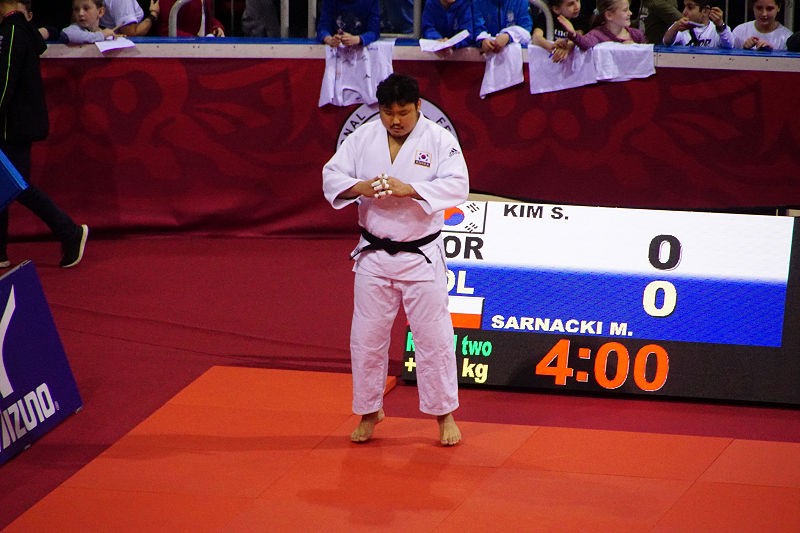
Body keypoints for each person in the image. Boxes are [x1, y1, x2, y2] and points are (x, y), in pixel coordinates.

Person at [322, 73, 468, 446]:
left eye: (403, 112)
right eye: (388, 112)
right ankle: (369, 411)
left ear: (418, 106)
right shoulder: (364, 137)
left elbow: (458, 186)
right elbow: (331, 175)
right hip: (373, 254)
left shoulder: (439, 139)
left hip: (420, 255)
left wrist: (412, 189)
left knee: (433, 338)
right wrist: (360, 187)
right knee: (366, 338)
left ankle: (444, 415)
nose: (395, 120)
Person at [0, 0, 88, 268]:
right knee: (5, 183)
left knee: (17, 185)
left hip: (13, 124)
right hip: (17, 121)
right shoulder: (21, 29)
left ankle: (69, 231)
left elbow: (5, 81)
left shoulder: (12, 31)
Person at [560, 0, 647, 50]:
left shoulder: (637, 35)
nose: (630, 13)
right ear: (609, 15)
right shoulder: (597, 35)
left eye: (629, 9)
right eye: (625, 10)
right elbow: (585, 43)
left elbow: (647, 57)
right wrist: (574, 35)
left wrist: (636, 48)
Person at [661, 0, 732, 48]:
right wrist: (675, 28)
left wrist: (720, 26)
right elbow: (666, 41)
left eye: (690, 7)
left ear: (704, 11)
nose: (684, 12)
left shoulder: (718, 29)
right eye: (684, 7)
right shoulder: (681, 26)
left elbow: (730, 45)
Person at [155, 0, 224, 37]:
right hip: (180, 50)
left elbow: (205, 16)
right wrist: (193, 40)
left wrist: (216, 26)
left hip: (203, 48)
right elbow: (166, 29)